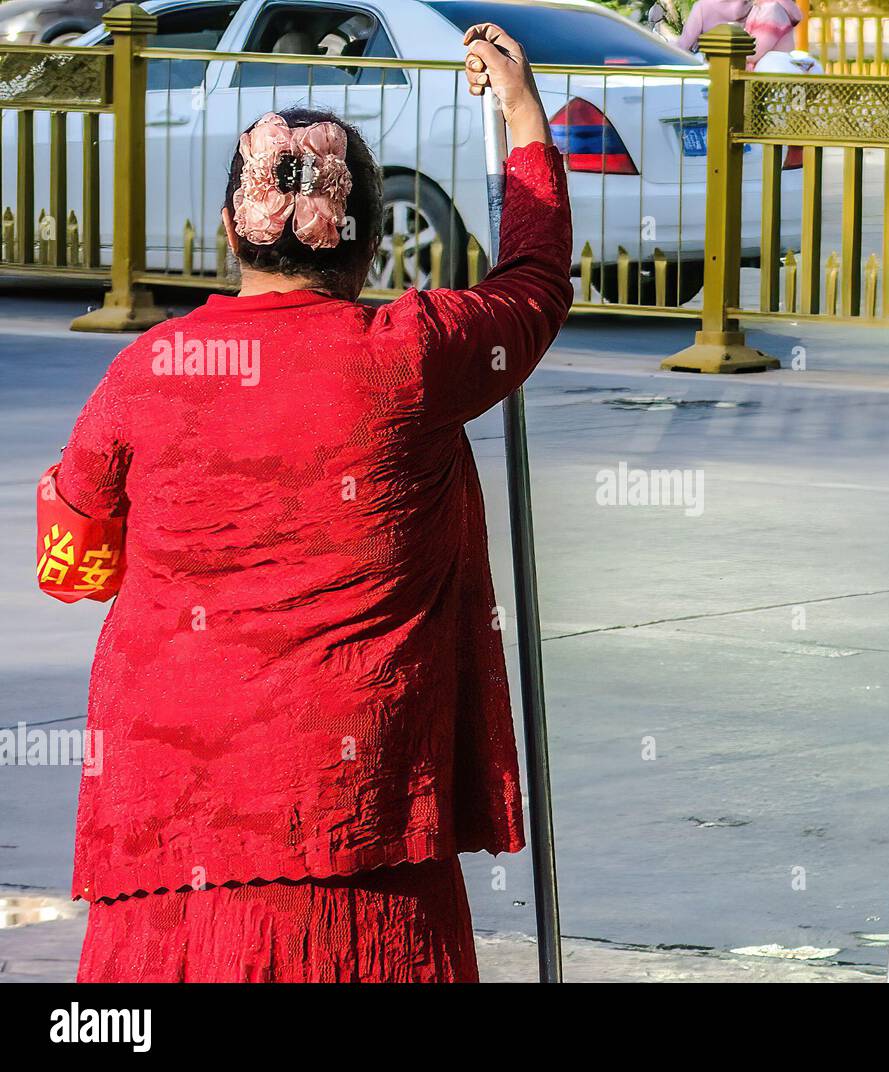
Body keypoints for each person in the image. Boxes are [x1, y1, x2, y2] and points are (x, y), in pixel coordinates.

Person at [37, 23, 572, 982]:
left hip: (168, 823)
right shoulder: (412, 353)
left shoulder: (145, 372)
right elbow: (533, 289)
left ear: (226, 234)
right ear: (368, 246)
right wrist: (523, 116)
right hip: (352, 817)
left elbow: (66, 562)